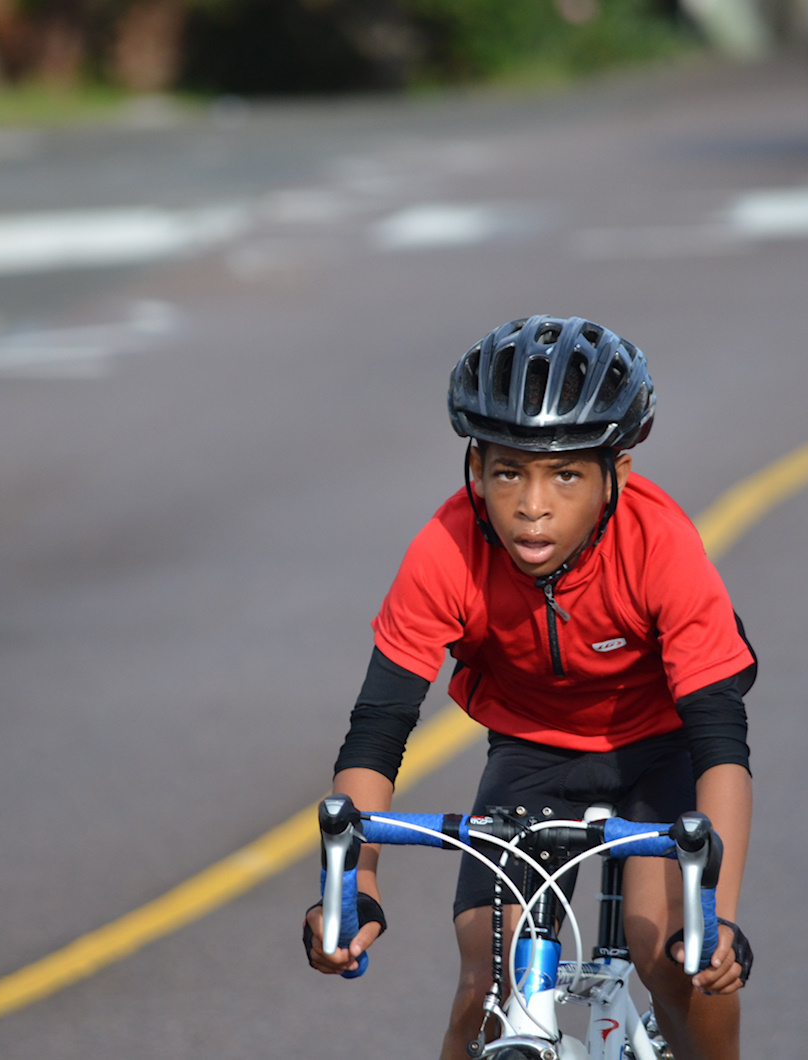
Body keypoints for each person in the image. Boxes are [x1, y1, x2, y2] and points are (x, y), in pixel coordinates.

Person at [303, 315, 757, 1060]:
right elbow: (377, 733)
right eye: (508, 471)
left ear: (619, 474)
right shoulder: (445, 548)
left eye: (566, 474)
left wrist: (719, 921)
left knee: (675, 962)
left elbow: (721, 747)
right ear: (475, 468)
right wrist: (357, 887)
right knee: (489, 983)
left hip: (662, 750)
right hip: (533, 755)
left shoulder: (663, 547)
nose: (532, 505)